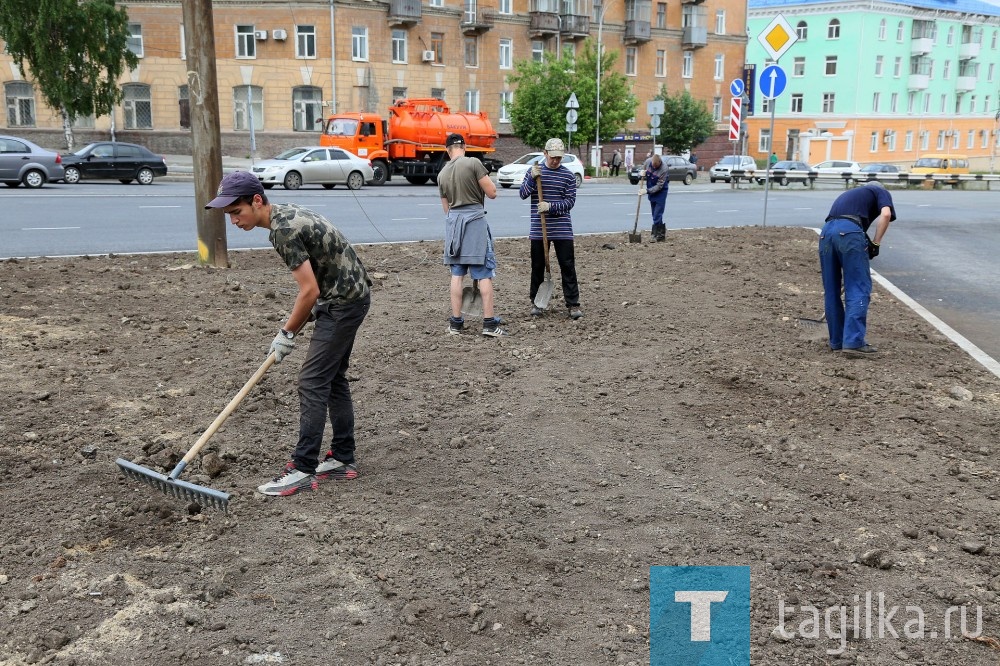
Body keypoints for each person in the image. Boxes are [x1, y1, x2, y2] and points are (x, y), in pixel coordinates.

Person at [205, 171, 372, 496]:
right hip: (349, 296)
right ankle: (342, 457)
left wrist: (287, 333)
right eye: (229, 216)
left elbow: (308, 290)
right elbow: (322, 272)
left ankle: (302, 468)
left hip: (343, 302)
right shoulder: (286, 213)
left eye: (236, 212)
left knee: (312, 380)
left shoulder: (282, 230)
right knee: (332, 377)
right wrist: (304, 317)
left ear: (256, 201)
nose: (234, 221)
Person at [819, 181, 896, 355]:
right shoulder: (879, 190)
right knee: (858, 287)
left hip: (825, 233)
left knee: (831, 290)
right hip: (849, 232)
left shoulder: (851, 196)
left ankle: (837, 341)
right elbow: (886, 215)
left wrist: (864, 243)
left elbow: (844, 225)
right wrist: (876, 243)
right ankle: (853, 342)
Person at [438, 133, 504, 337]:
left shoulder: (442, 174)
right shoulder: (473, 163)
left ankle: (456, 324)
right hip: (474, 223)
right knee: (483, 273)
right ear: (463, 147)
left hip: (454, 227)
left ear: (448, 150)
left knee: (457, 274)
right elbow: (492, 193)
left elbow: (446, 210)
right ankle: (489, 324)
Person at [519, 137, 583, 319]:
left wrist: (550, 206)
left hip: (562, 229)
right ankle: (536, 302)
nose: (555, 160)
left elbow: (570, 202)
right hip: (539, 229)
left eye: (559, 158)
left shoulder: (568, 176)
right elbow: (523, 194)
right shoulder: (535, 172)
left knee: (567, 266)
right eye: (552, 157)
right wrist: (532, 179)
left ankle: (573, 304)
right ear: (545, 154)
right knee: (537, 266)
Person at [639, 153, 669, 242]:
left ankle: (655, 235)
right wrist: (641, 174)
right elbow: (641, 174)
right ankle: (661, 235)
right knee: (654, 214)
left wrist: (646, 191)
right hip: (651, 192)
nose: (654, 167)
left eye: (656, 166)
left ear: (660, 162)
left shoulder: (664, 168)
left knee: (657, 214)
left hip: (661, 193)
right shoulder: (648, 162)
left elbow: (659, 186)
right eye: (653, 166)